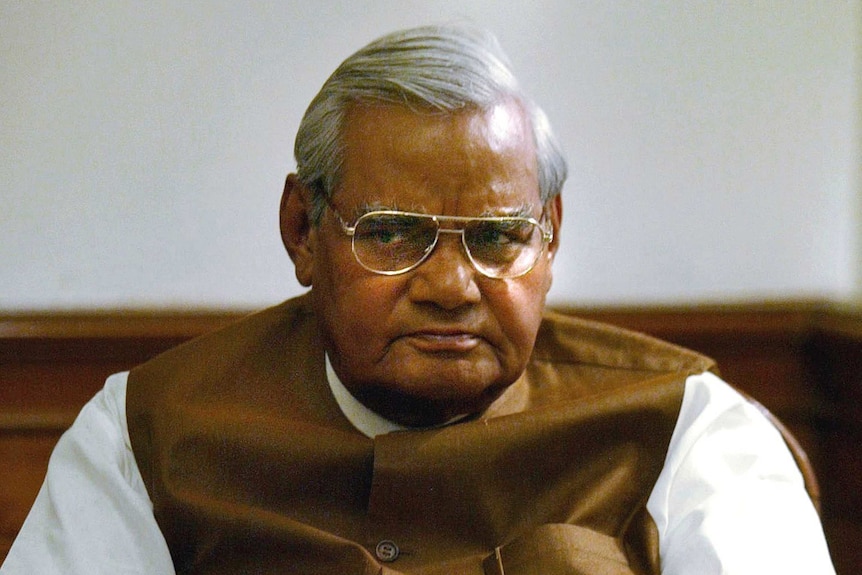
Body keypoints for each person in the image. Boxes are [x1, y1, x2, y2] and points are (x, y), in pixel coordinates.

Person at [1, 24, 835, 575]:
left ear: (550, 233)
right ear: (302, 229)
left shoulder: (690, 428)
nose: (450, 286)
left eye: (498, 236)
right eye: (394, 234)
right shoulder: (144, 432)